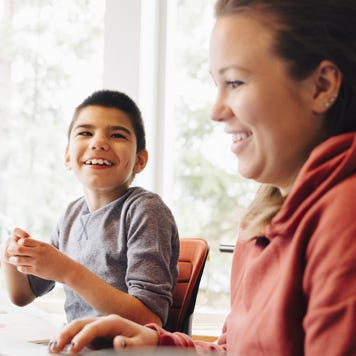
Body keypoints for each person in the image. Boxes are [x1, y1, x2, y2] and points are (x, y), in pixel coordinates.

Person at [48, 0, 356, 354]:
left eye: (236, 82)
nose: (215, 110)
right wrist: (158, 342)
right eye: (216, 85)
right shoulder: (262, 216)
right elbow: (235, 349)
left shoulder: (344, 216)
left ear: (321, 86)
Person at [0, 90, 180, 327]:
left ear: (140, 160)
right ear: (67, 156)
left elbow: (149, 320)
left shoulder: (145, 210)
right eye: (86, 132)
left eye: (117, 135)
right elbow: (22, 296)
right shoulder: (70, 216)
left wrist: (68, 271)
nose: (98, 143)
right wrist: (13, 257)